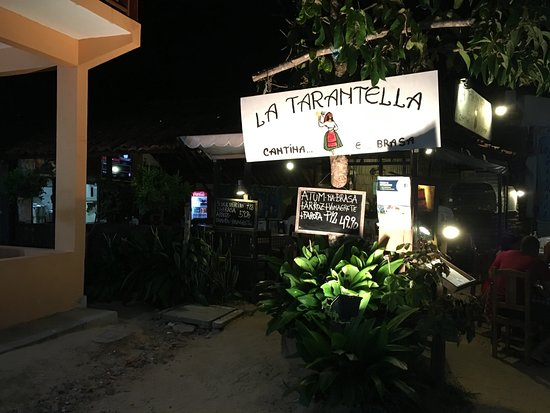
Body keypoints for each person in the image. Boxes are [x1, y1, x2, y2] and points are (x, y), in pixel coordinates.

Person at [487, 235, 550, 363]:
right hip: (521, 312)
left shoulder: (503, 255)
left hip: (497, 307)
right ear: (536, 250)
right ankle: (539, 351)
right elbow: (548, 289)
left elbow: (491, 274)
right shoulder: (536, 262)